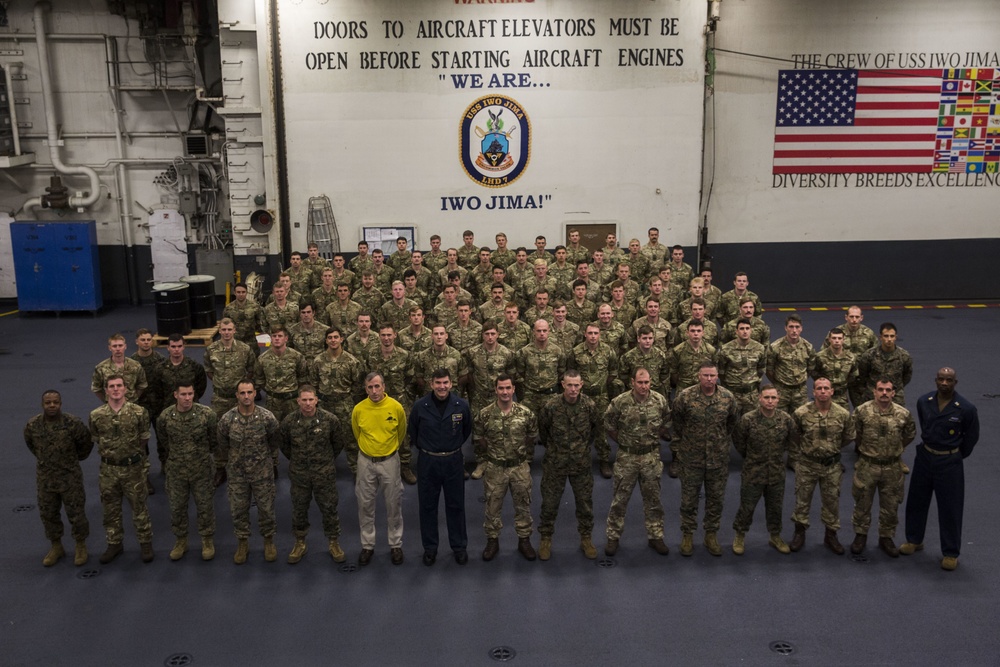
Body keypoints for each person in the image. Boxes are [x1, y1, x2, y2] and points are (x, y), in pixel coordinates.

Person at [901, 367, 980, 570]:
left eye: (949, 380)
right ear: (935, 380)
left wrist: (953, 454)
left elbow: (970, 439)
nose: (944, 383)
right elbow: (924, 425)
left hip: (949, 462)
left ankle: (951, 552)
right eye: (941, 379)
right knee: (916, 501)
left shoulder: (966, 408)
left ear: (955, 382)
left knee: (950, 508)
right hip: (925, 457)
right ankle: (914, 540)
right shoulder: (924, 402)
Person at [672, 362, 740, 557]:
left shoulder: (727, 398)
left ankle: (711, 534)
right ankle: (687, 534)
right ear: (698, 376)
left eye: (712, 375)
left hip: (717, 459)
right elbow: (677, 423)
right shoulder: (685, 397)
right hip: (691, 458)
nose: (709, 379)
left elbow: (731, 423)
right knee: (689, 499)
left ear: (717, 376)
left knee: (715, 499)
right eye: (705, 375)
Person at [604, 368, 672, 557]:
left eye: (647, 382)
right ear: (632, 382)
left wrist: (652, 438)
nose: (644, 386)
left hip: (651, 457)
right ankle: (613, 536)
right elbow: (609, 424)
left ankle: (655, 536)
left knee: (654, 500)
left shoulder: (659, 400)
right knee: (620, 500)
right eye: (640, 382)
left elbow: (667, 421)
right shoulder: (620, 402)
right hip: (627, 457)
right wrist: (625, 442)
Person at [409, 369, 472, 566]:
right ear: (431, 384)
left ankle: (459, 546)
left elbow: (466, 430)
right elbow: (413, 431)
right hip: (428, 461)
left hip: (453, 460)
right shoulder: (420, 406)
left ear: (451, 384)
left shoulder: (461, 405)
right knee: (428, 506)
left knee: (456, 505)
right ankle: (430, 548)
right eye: (438, 383)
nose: (442, 386)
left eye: (445, 382)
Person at [537, 370, 602, 560]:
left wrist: (580, 448)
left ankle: (586, 538)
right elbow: (544, 431)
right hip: (555, 463)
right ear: (563, 385)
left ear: (582, 385)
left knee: (585, 504)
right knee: (549, 503)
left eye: (576, 385)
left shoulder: (589, 406)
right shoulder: (551, 407)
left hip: (581, 463)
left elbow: (594, 430)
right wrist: (556, 449)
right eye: (569, 385)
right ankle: (546, 538)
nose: (573, 389)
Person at [89, 375, 154, 564]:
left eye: (119, 386)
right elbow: (95, 437)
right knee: (110, 508)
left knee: (139, 507)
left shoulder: (139, 412)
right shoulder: (96, 415)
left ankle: (145, 542)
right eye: (111, 386)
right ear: (106, 390)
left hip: (133, 467)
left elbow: (144, 438)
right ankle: (114, 543)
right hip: (108, 469)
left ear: (126, 389)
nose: (116, 389)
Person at [24, 390, 93, 567]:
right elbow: (31, 445)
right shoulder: (33, 425)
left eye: (55, 402)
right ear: (43, 405)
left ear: (60, 403)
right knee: (48, 513)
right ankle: (56, 546)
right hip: (46, 478)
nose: (52, 405)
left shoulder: (72, 423)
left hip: (70, 477)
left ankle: (80, 545)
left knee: (76, 514)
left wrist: (72, 461)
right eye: (48, 403)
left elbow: (86, 444)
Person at [475, 374, 539, 561]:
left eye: (508, 388)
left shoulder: (525, 413)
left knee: (524, 505)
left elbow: (531, 437)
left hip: (519, 466)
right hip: (495, 467)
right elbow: (480, 438)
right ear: (495, 390)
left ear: (513, 390)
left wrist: (516, 452)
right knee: (492, 506)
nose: (504, 392)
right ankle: (492, 541)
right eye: (501, 388)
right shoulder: (485, 414)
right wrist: (497, 452)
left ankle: (524, 540)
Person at [850, 378, 916, 558]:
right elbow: (855, 433)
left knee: (891, 504)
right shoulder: (862, 411)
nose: (884, 393)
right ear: (874, 391)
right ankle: (860, 535)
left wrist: (895, 450)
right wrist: (866, 449)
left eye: (888, 390)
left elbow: (910, 434)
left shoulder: (903, 414)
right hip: (867, 464)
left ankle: (886, 537)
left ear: (893, 393)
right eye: (881, 389)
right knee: (862, 502)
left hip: (892, 467)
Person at [279, 385, 346, 564]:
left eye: (311, 399)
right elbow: (285, 446)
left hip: (324, 474)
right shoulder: (289, 421)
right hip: (299, 475)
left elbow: (337, 443)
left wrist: (325, 461)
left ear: (316, 400)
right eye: (304, 400)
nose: (308, 403)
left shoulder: (330, 420)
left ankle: (333, 542)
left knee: (330, 508)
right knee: (299, 509)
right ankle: (300, 542)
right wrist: (298, 461)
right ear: (298, 401)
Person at [788, 378, 855, 554]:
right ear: (813, 392)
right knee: (802, 500)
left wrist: (831, 449)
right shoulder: (801, 413)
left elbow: (848, 436)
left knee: (832, 501)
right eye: (819, 388)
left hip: (831, 466)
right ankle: (799, 533)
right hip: (807, 464)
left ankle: (831, 535)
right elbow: (794, 435)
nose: (823, 391)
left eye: (826, 388)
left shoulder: (842, 414)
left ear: (832, 391)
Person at [217, 379, 281, 564]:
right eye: (242, 393)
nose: (246, 396)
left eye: (249, 392)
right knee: (238, 509)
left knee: (266, 508)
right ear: (237, 395)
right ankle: (242, 542)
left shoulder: (267, 418)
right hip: (237, 473)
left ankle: (268, 541)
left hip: (262, 472)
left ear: (255, 394)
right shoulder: (227, 419)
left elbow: (274, 440)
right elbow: (222, 443)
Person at [156, 382, 218, 561]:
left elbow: (214, 441)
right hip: (176, 470)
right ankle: (181, 540)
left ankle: (207, 540)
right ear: (176, 395)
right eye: (183, 394)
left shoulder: (206, 414)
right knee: (177, 507)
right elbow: (164, 441)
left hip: (202, 469)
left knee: (205, 506)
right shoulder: (166, 417)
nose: (187, 398)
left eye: (190, 394)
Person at [731, 386, 796, 555]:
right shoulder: (748, 419)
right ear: (759, 398)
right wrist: (750, 456)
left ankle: (775, 536)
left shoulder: (785, 419)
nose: (770, 401)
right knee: (747, 506)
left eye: (773, 398)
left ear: (778, 399)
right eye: (766, 397)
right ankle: (739, 535)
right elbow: (739, 441)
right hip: (753, 471)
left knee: (775, 507)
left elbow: (791, 440)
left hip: (776, 471)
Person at [352, 372, 408, 566]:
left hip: (390, 461)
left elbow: (401, 433)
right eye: (370, 387)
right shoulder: (359, 409)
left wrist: (388, 451)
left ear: (384, 386)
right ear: (365, 389)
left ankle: (395, 544)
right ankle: (367, 545)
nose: (374, 391)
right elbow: (356, 433)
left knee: (394, 504)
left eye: (377, 386)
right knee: (365, 504)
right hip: (366, 461)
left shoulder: (396, 407)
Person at [203, 317, 256, 487]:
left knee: (245, 432)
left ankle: (245, 465)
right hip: (219, 398)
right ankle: (220, 467)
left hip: (239, 399)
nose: (226, 333)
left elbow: (251, 369)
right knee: (219, 433)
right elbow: (209, 371)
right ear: (220, 331)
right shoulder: (211, 350)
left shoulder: (245, 349)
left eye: (229, 329)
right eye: (224, 330)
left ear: (234, 331)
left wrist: (241, 390)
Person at [463, 321, 516, 479]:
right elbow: (469, 374)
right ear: (482, 335)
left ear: (498, 334)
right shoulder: (473, 352)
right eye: (487, 334)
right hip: (479, 396)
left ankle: (498, 459)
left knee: (500, 428)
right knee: (479, 429)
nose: (490, 337)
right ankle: (482, 461)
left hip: (499, 398)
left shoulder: (506, 353)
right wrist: (474, 391)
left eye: (493, 334)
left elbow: (510, 376)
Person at [366, 323, 418, 485]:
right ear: (379, 336)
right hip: (377, 402)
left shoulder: (404, 355)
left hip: (399, 400)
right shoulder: (372, 355)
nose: (386, 338)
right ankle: (380, 468)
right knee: (378, 433)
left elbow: (411, 378)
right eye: (383, 335)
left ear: (395, 335)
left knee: (403, 435)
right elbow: (367, 378)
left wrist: (406, 396)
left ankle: (404, 466)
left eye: (389, 335)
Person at [568, 323, 621, 479]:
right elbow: (571, 373)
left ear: (600, 334)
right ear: (585, 334)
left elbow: (612, 373)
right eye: (590, 333)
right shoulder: (576, 352)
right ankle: (577, 461)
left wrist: (601, 385)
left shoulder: (608, 351)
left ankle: (604, 460)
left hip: (601, 395)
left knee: (601, 430)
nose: (593, 336)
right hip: (581, 396)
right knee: (578, 428)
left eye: (596, 333)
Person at [311, 326, 366, 475]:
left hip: (345, 404)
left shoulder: (351, 361)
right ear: (326, 340)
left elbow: (358, 385)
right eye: (330, 338)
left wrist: (349, 400)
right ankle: (325, 469)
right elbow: (314, 383)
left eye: (336, 337)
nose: (333, 340)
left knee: (350, 439)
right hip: (324, 405)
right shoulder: (318, 360)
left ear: (341, 339)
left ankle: (356, 470)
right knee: (323, 438)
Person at [717, 318, 768, 415]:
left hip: (751, 395)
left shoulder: (759, 348)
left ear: (751, 330)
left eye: (747, 328)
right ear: (736, 331)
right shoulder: (726, 349)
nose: (745, 331)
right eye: (742, 329)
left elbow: (761, 369)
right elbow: (721, 372)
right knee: (732, 424)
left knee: (752, 424)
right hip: (732, 393)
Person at [857, 322, 913, 405]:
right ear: (880, 337)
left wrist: (894, 388)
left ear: (895, 337)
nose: (889, 339)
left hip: (895, 396)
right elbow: (862, 375)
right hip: (872, 396)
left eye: (892, 336)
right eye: (886, 336)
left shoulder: (904, 356)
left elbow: (907, 376)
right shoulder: (869, 355)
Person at [91, 333, 148, 403]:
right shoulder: (101, 368)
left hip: (132, 406)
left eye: (120, 346)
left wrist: (134, 398)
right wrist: (107, 401)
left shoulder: (135, 365)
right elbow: (97, 389)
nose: (118, 349)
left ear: (125, 346)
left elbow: (142, 385)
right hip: (111, 406)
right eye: (114, 346)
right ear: (110, 348)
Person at [811, 327, 857, 409]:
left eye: (839, 338)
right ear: (829, 339)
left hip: (842, 398)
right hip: (824, 396)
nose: (837, 341)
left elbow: (853, 376)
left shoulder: (851, 357)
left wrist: (843, 384)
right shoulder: (820, 356)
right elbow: (814, 374)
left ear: (843, 340)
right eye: (834, 338)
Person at [222, 282, 262, 352]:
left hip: (251, 342)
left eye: (243, 292)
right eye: (238, 292)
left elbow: (259, 323)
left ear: (247, 293)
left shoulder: (255, 307)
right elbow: (225, 327)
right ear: (235, 293)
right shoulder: (228, 308)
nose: (241, 294)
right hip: (235, 343)